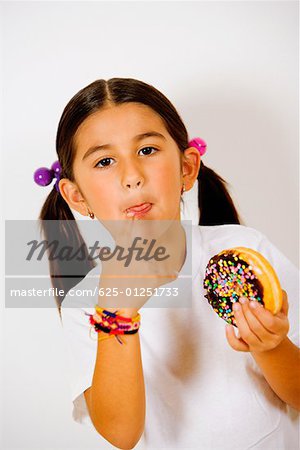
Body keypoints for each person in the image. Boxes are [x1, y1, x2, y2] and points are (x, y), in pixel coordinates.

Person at [35, 78, 299, 450]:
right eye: (105, 161)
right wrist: (117, 316)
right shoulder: (88, 303)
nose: (132, 176)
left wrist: (270, 345)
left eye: (146, 150)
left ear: (187, 168)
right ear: (77, 196)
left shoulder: (245, 249)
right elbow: (121, 434)